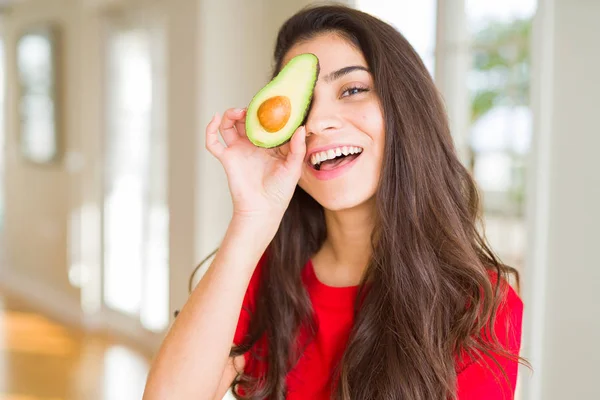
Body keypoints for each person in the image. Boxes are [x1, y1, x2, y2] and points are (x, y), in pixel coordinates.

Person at [143, 4, 529, 400]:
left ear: (405, 109)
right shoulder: (260, 277)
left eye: (353, 90)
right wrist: (251, 217)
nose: (316, 123)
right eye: (301, 106)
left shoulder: (478, 307)